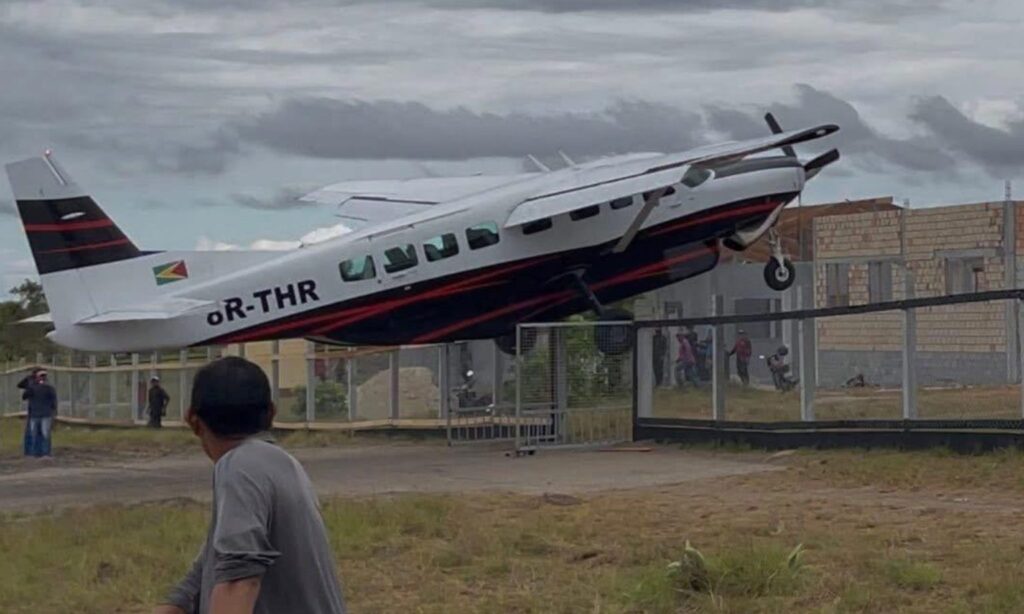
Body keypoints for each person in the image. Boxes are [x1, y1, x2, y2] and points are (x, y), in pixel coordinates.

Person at [155, 356, 346, 614]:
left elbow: (238, 580)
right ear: (271, 413)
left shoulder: (239, 467)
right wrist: (175, 604)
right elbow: (213, 562)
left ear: (192, 419)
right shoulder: (281, 464)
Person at [18, 368, 57, 458]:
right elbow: (23, 392)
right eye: (41, 376)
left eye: (44, 376)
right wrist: (31, 379)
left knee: (44, 434)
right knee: (34, 434)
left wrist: (53, 413)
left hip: (45, 413)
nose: (43, 378)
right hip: (34, 413)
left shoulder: (49, 388)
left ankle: (45, 453)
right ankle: (34, 453)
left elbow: (53, 401)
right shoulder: (32, 387)